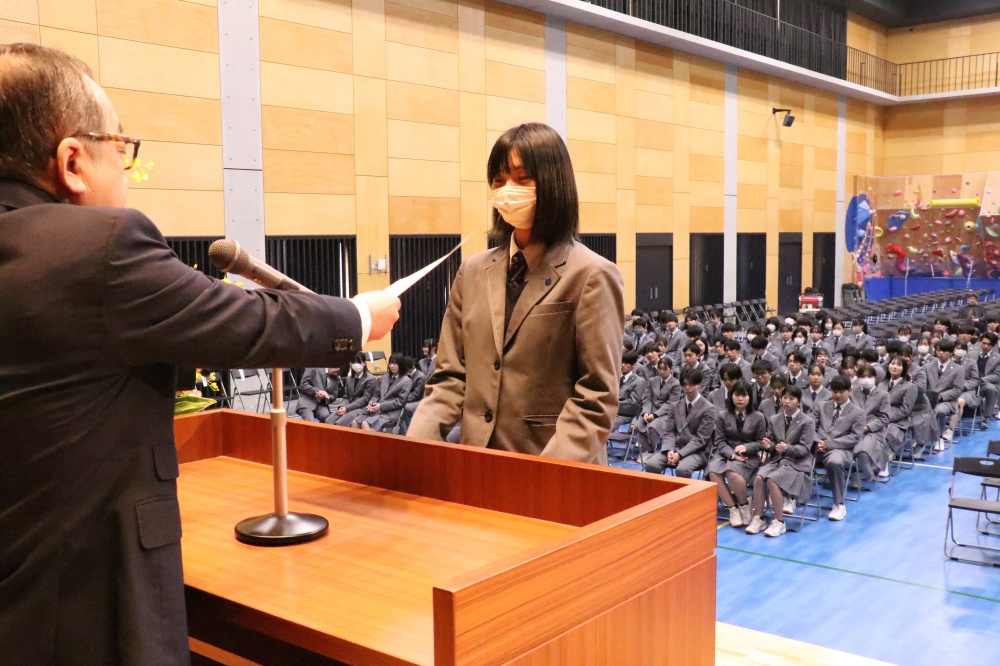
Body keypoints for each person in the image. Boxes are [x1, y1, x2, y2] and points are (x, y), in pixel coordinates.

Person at [0, 44, 402, 664]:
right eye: (120, 149)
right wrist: (358, 316)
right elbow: (243, 321)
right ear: (73, 161)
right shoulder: (96, 247)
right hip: (83, 607)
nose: (127, 171)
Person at [409, 123, 624, 464]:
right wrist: (413, 451)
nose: (508, 191)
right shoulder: (472, 271)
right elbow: (450, 377)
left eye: (523, 179)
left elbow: (596, 397)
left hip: (555, 470)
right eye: (499, 181)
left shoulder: (592, 274)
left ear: (554, 183)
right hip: (478, 465)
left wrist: (541, 476)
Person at [745, 386, 815, 537]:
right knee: (759, 478)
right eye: (785, 398)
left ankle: (779, 521)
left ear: (799, 402)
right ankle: (758, 518)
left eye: (791, 398)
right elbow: (771, 443)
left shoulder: (807, 421)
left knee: (773, 480)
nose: (787, 401)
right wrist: (768, 445)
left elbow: (805, 449)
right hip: (776, 459)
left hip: (796, 462)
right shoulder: (774, 419)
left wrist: (787, 448)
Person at [708, 380, 765, 528]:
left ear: (750, 397)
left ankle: (744, 505)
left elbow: (761, 442)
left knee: (731, 472)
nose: (740, 399)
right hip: (725, 453)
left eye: (744, 395)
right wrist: (731, 455)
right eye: (737, 395)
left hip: (748, 456)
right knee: (713, 471)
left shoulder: (759, 417)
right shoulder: (723, 415)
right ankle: (733, 508)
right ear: (731, 396)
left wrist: (746, 447)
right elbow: (719, 441)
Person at [642, 367, 717, 477]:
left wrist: (680, 454)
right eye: (684, 384)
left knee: (682, 470)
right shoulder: (674, 406)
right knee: (651, 464)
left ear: (699, 385)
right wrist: (669, 450)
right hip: (675, 447)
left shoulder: (709, 409)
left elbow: (701, 439)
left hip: (698, 452)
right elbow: (669, 432)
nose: (687, 387)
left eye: (691, 384)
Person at [814, 376, 865, 521]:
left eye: (841, 392)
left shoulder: (858, 412)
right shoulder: (821, 406)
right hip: (817, 447)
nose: (837, 395)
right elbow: (810, 427)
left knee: (834, 462)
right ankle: (790, 498)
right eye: (834, 391)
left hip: (841, 450)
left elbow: (854, 438)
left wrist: (829, 444)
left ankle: (839, 504)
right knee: (795, 455)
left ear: (850, 390)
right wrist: (817, 442)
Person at [351, 353, 413, 432]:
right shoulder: (385, 377)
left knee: (365, 423)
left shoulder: (406, 381)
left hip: (391, 413)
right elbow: (376, 394)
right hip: (377, 410)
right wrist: (371, 403)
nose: (392, 366)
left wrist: (381, 406)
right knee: (355, 421)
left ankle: (371, 440)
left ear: (401, 364)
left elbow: (400, 402)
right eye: (390, 363)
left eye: (395, 364)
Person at [851, 366, 891, 484]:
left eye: (869, 376)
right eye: (863, 376)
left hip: (873, 431)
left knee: (863, 450)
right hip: (854, 429)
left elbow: (884, 418)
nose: (866, 379)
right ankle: (859, 469)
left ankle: (865, 470)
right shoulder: (853, 393)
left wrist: (867, 427)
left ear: (875, 377)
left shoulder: (883, 395)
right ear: (858, 378)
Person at [326, 353, 378, 426]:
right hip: (348, 406)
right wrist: (342, 407)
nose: (356, 365)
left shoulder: (370, 379)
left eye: (358, 362)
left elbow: (365, 399)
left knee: (340, 423)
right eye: (354, 362)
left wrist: (347, 408)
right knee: (329, 420)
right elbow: (346, 396)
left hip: (362, 408)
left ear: (364, 363)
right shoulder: (349, 379)